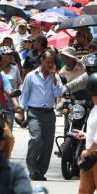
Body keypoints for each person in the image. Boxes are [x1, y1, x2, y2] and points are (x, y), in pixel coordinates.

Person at [21, 49, 64, 181]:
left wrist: (53, 78)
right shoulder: (31, 76)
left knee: (48, 144)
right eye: (48, 62)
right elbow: (24, 94)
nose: (50, 65)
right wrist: (21, 113)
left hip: (49, 114)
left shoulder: (55, 77)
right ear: (41, 61)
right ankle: (32, 169)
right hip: (34, 112)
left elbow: (58, 94)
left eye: (52, 63)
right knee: (36, 139)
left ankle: (40, 171)